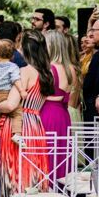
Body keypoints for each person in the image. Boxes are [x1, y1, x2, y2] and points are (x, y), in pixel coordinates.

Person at [0, 28, 53, 197]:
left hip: (18, 125)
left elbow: (10, 105)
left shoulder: (24, 72)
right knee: (32, 179)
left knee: (14, 179)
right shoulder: (46, 73)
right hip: (36, 125)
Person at [43, 28, 78, 174]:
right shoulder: (71, 69)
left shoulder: (49, 69)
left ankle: (47, 189)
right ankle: (61, 188)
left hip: (47, 113)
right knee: (61, 153)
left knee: (47, 153)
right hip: (63, 115)